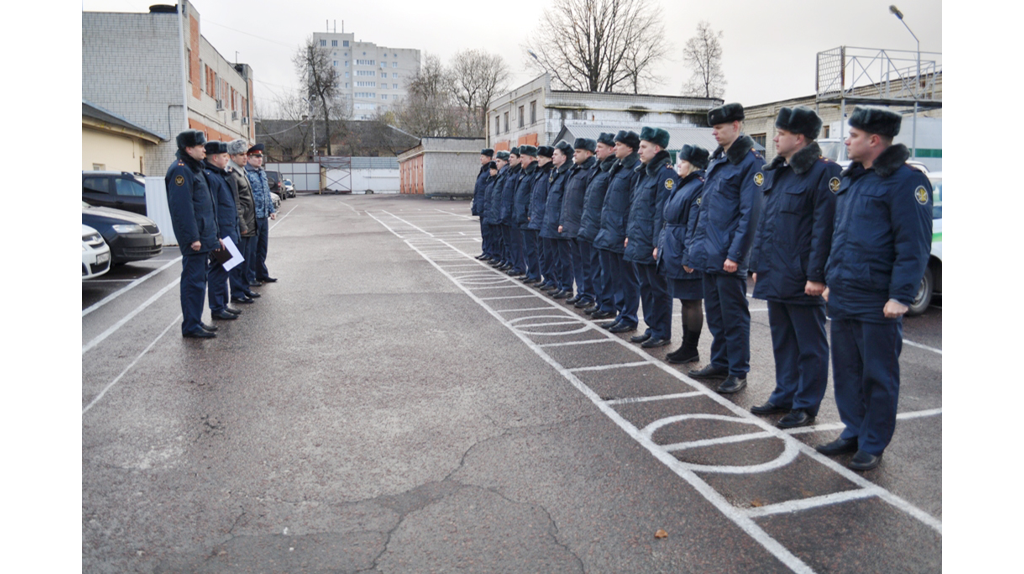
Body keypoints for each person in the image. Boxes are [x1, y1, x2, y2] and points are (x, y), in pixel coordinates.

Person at [816, 106, 932, 471]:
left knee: (878, 374)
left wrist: (901, 295)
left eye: (852, 136)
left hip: (878, 298)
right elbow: (840, 236)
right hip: (846, 292)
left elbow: (913, 244)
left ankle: (873, 442)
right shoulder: (854, 178)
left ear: (874, 140)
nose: (847, 141)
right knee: (847, 371)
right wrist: (830, 281)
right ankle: (853, 430)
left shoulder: (905, 181)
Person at [748, 107, 839, 429]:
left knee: (810, 345)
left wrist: (817, 275)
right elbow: (766, 224)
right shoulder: (779, 172)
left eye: (781, 133)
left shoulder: (824, 173)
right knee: (783, 340)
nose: (774, 138)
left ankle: (805, 404)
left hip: (802, 275)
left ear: (799, 138)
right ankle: (784, 394)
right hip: (776, 270)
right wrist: (757, 262)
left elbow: (824, 229)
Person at [685, 103, 763, 394]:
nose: (715, 133)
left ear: (737, 126)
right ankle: (720, 362)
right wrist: (696, 250)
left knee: (734, 316)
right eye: (713, 128)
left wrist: (736, 255)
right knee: (717, 315)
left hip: (728, 256)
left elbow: (750, 214)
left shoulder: (749, 162)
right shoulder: (718, 160)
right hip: (710, 253)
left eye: (720, 128)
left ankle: (738, 370)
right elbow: (706, 212)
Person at [657, 144, 710, 364]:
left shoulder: (698, 185)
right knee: (685, 301)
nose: (679, 163)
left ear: (694, 164)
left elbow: (695, 224)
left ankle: (690, 348)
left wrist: (690, 256)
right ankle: (685, 346)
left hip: (685, 250)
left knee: (692, 301)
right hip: (674, 246)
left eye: (683, 160)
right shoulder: (683, 184)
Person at [625, 127, 676, 349]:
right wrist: (629, 234)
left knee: (659, 289)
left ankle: (662, 332)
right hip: (639, 238)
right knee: (646, 286)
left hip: (651, 242)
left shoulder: (665, 173)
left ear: (657, 148)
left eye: (643, 147)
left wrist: (658, 243)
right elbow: (635, 207)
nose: (639, 151)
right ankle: (652, 327)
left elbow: (662, 213)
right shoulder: (643, 172)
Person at [165, 130, 219, 339]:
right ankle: (190, 325)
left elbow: (205, 206)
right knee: (192, 282)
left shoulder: (195, 169)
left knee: (199, 281)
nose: (205, 149)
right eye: (200, 146)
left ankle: (195, 320)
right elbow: (182, 209)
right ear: (188, 148)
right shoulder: (181, 171)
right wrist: (192, 238)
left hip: (203, 235)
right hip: (195, 239)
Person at [593, 130, 642, 333]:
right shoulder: (618, 167)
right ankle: (621, 314)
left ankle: (629, 317)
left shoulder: (634, 169)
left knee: (627, 279)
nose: (615, 148)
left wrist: (628, 233)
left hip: (621, 232)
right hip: (610, 230)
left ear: (630, 147)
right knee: (615, 277)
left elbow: (633, 204)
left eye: (619, 145)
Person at [576, 132, 618, 320]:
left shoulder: (610, 170)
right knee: (594, 269)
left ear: (611, 149)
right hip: (590, 226)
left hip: (600, 228)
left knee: (604, 271)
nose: (596, 150)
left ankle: (607, 304)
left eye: (600, 147)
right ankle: (601, 302)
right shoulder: (597, 169)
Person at [202, 141, 242, 322]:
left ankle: (223, 304)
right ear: (215, 157)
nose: (227, 159)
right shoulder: (210, 176)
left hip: (228, 229)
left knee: (226, 267)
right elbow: (212, 208)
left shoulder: (220, 175)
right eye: (225, 156)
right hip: (221, 233)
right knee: (218, 269)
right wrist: (216, 236)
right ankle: (217, 308)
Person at [559, 138, 598, 307]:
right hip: (573, 225)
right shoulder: (575, 171)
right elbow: (567, 200)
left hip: (583, 226)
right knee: (578, 263)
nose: (574, 154)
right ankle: (581, 292)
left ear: (588, 153)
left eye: (578, 151)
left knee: (586, 263)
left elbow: (588, 201)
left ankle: (588, 294)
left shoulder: (590, 171)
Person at [226, 139, 259, 305]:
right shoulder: (232, 174)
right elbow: (236, 203)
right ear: (232, 156)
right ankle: (237, 292)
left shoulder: (241, 171)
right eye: (241, 155)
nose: (245, 158)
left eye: (245, 154)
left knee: (246, 260)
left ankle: (245, 289)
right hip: (242, 226)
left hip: (249, 223)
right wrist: (242, 225)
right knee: (237, 262)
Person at [540, 141, 574, 298]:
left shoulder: (567, 174)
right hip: (551, 221)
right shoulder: (556, 173)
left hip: (560, 223)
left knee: (564, 258)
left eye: (556, 154)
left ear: (564, 157)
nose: (552, 156)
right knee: (556, 257)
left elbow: (566, 201)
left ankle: (566, 287)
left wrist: (562, 222)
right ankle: (560, 284)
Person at [244, 143, 277, 285]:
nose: (259, 159)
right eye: (256, 157)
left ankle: (261, 274)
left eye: (260, 157)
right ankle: (250, 277)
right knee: (252, 249)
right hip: (252, 217)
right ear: (249, 158)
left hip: (263, 215)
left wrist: (271, 209)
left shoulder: (262, 173)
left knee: (262, 248)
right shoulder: (246, 174)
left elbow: (266, 194)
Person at [527, 146, 555, 289]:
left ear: (550, 159)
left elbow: (549, 199)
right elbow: (534, 196)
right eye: (538, 157)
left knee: (548, 253)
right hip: (538, 218)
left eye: (542, 158)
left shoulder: (549, 174)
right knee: (542, 252)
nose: (539, 159)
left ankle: (551, 279)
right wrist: (531, 213)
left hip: (545, 219)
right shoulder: (539, 173)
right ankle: (546, 277)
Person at [513, 145, 541, 283]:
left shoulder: (532, 173)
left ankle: (534, 274)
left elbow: (532, 196)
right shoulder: (524, 173)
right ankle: (531, 272)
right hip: (522, 216)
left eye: (522, 157)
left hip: (527, 217)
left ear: (531, 158)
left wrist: (528, 212)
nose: (521, 160)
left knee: (531, 247)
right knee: (526, 247)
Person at [498, 147, 524, 275]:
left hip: (513, 214)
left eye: (512, 157)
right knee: (509, 242)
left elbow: (515, 196)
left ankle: (518, 266)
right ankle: (512, 263)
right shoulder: (510, 172)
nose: (509, 159)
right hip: (507, 213)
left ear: (519, 159)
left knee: (516, 243)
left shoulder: (518, 173)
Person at [486, 151, 510, 267]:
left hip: (502, 213)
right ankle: (502, 259)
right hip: (497, 212)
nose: (497, 163)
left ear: (506, 162)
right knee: (500, 239)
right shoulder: (501, 175)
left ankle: (506, 260)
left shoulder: (505, 175)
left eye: (499, 161)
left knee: (505, 240)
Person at [473, 148, 494, 260]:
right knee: (484, 231)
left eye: (483, 156)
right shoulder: (483, 170)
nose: (480, 158)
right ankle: (485, 251)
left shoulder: (489, 171)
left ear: (489, 158)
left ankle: (489, 252)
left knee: (487, 231)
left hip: (486, 206)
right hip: (482, 206)